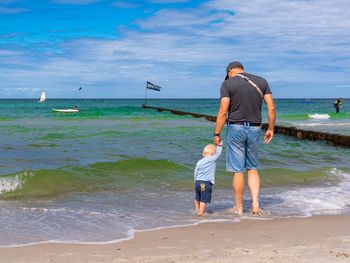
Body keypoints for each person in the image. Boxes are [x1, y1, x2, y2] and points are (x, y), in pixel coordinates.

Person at [213, 61, 276, 216]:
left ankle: (239, 207)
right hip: (255, 127)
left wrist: (217, 133)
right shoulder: (262, 81)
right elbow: (271, 107)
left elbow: (223, 111)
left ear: (229, 71)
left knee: (238, 170)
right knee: (252, 167)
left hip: (236, 127)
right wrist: (271, 128)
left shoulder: (227, 84)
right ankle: (255, 204)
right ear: (242, 69)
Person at [194, 141, 223, 216]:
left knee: (197, 196)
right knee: (204, 198)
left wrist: (195, 181)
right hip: (205, 183)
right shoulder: (212, 159)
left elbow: (195, 171)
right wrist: (220, 143)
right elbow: (219, 153)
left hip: (197, 181)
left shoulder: (199, 162)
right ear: (213, 155)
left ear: (203, 154)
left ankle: (197, 209)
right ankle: (201, 212)